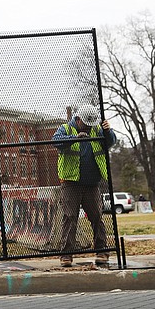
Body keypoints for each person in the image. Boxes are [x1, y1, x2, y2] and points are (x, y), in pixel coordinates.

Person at [52, 104, 116, 267]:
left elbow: (110, 143)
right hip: (70, 183)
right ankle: (66, 255)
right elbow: (56, 142)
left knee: (96, 217)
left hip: (92, 184)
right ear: (78, 119)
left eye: (90, 125)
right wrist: (74, 138)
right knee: (70, 217)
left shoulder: (96, 129)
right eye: (86, 125)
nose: (88, 128)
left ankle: (102, 251)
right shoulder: (65, 129)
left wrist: (108, 131)